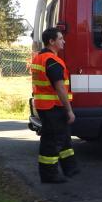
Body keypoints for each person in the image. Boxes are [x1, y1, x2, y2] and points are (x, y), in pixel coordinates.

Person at [31, 27, 80, 183]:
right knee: (52, 141)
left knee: (64, 138)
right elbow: (60, 88)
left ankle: (70, 168)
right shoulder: (52, 61)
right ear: (51, 41)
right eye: (60, 39)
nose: (63, 41)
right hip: (53, 107)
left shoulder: (40, 58)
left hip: (47, 106)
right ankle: (49, 175)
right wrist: (69, 110)